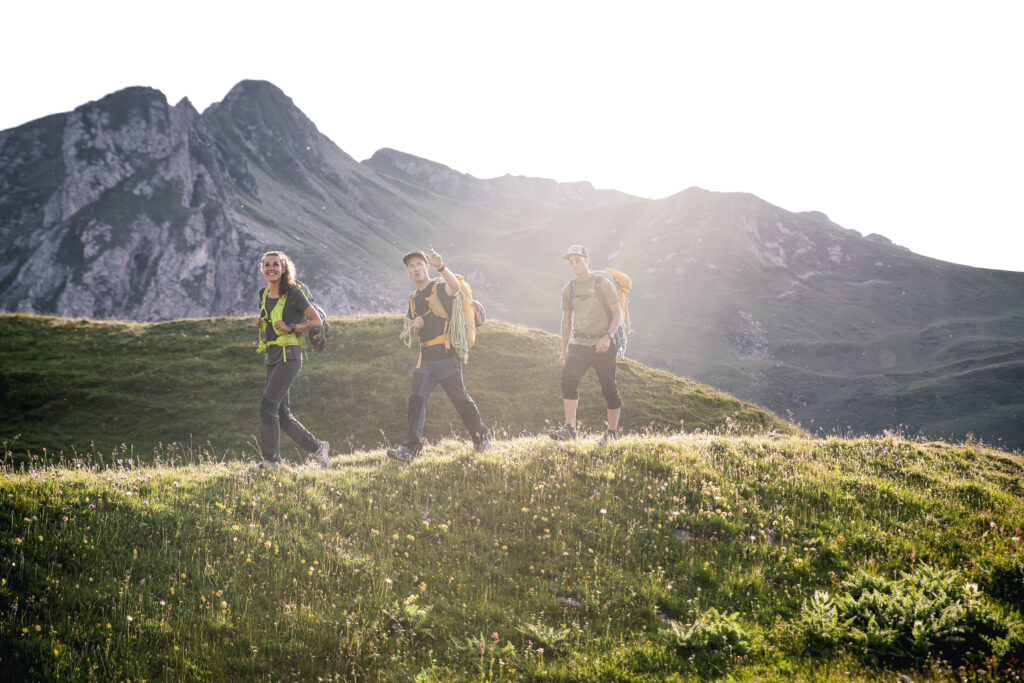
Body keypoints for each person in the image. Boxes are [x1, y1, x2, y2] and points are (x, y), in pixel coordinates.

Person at [386, 246, 490, 463]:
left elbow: (455, 287)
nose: (415, 269)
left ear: (426, 267)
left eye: (419, 264)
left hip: (446, 356)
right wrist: (415, 326)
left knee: (460, 400)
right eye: (411, 266)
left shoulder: (440, 288)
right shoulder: (413, 298)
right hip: (424, 359)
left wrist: (441, 266)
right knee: (416, 400)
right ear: (408, 272)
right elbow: (414, 334)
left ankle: (481, 438)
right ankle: (410, 448)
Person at [253, 251, 330, 469]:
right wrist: (261, 322)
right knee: (282, 413)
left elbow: (315, 321)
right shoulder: (264, 293)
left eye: (276, 265)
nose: (271, 268)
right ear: (262, 269)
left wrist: (292, 327)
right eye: (267, 265)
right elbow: (271, 316)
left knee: (267, 406)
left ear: (284, 268)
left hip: (290, 356)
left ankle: (271, 461)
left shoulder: (295, 293)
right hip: (272, 355)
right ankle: (318, 448)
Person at [550, 244, 623, 444]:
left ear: (587, 261)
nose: (574, 264)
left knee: (609, 387)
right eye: (571, 261)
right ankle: (570, 429)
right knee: (568, 380)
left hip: (602, 344)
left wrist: (608, 337)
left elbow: (617, 313)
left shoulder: (602, 284)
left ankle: (612, 433)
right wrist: (563, 351)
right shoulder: (570, 288)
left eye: (578, 260)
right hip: (580, 344)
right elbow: (566, 320)